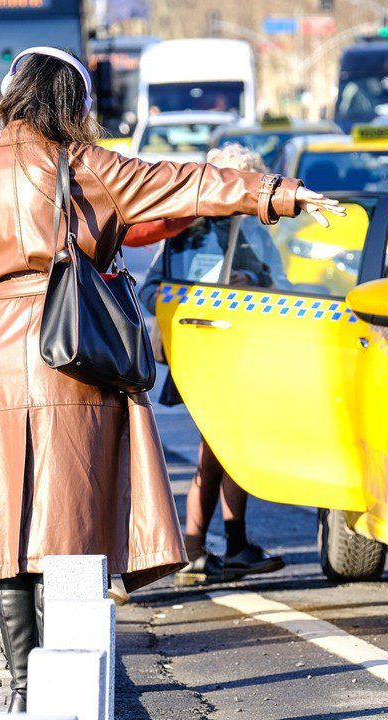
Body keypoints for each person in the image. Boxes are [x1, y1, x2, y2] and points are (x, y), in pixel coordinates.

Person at [0, 48, 341, 712]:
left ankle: (23, 687)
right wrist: (277, 193)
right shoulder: (92, 167)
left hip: (7, 357)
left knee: (6, 524)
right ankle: (58, 680)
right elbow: (189, 182)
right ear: (75, 103)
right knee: (71, 525)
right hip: (79, 350)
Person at [137, 144, 286, 585]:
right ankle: (208, 544)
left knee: (225, 449)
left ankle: (214, 545)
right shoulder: (189, 233)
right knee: (218, 448)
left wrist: (253, 282)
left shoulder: (256, 234)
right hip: (202, 352)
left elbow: (279, 284)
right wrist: (192, 296)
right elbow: (151, 292)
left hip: (244, 351)